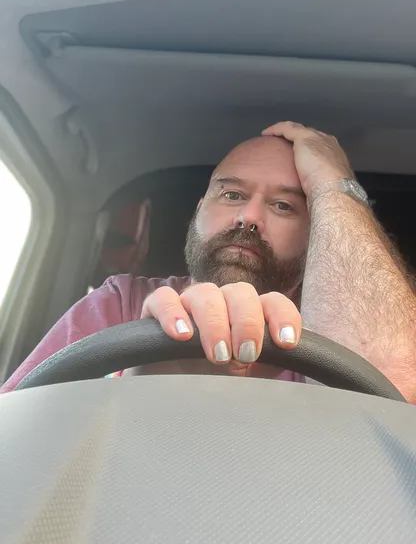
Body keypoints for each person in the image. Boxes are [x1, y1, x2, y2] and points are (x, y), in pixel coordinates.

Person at [1, 122, 415, 400]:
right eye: (232, 194)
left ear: (317, 233)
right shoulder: (119, 304)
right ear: (199, 210)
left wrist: (332, 183)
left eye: (285, 206)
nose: (248, 217)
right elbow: (19, 446)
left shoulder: (337, 329)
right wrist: (134, 391)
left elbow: (397, 394)